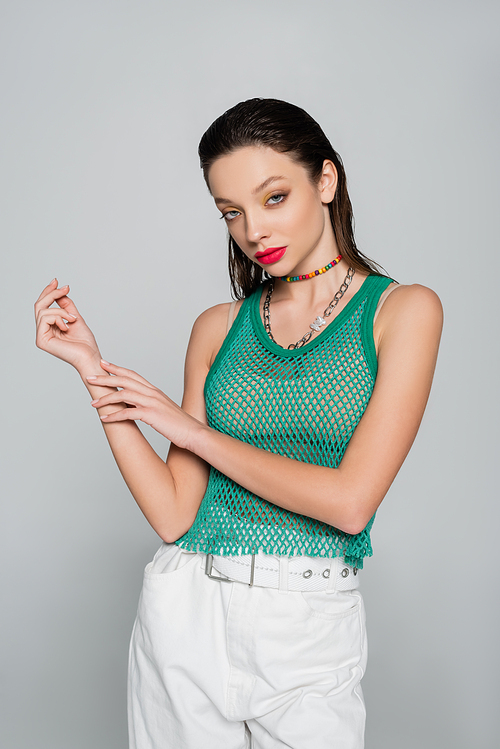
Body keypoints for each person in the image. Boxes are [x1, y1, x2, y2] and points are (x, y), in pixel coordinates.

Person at [34, 98, 443, 749]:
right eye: (231, 211)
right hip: (186, 610)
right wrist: (92, 369)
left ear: (326, 181)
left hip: (307, 622)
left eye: (274, 197)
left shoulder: (403, 310)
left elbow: (350, 502)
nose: (253, 229)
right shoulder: (218, 328)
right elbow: (173, 514)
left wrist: (192, 430)